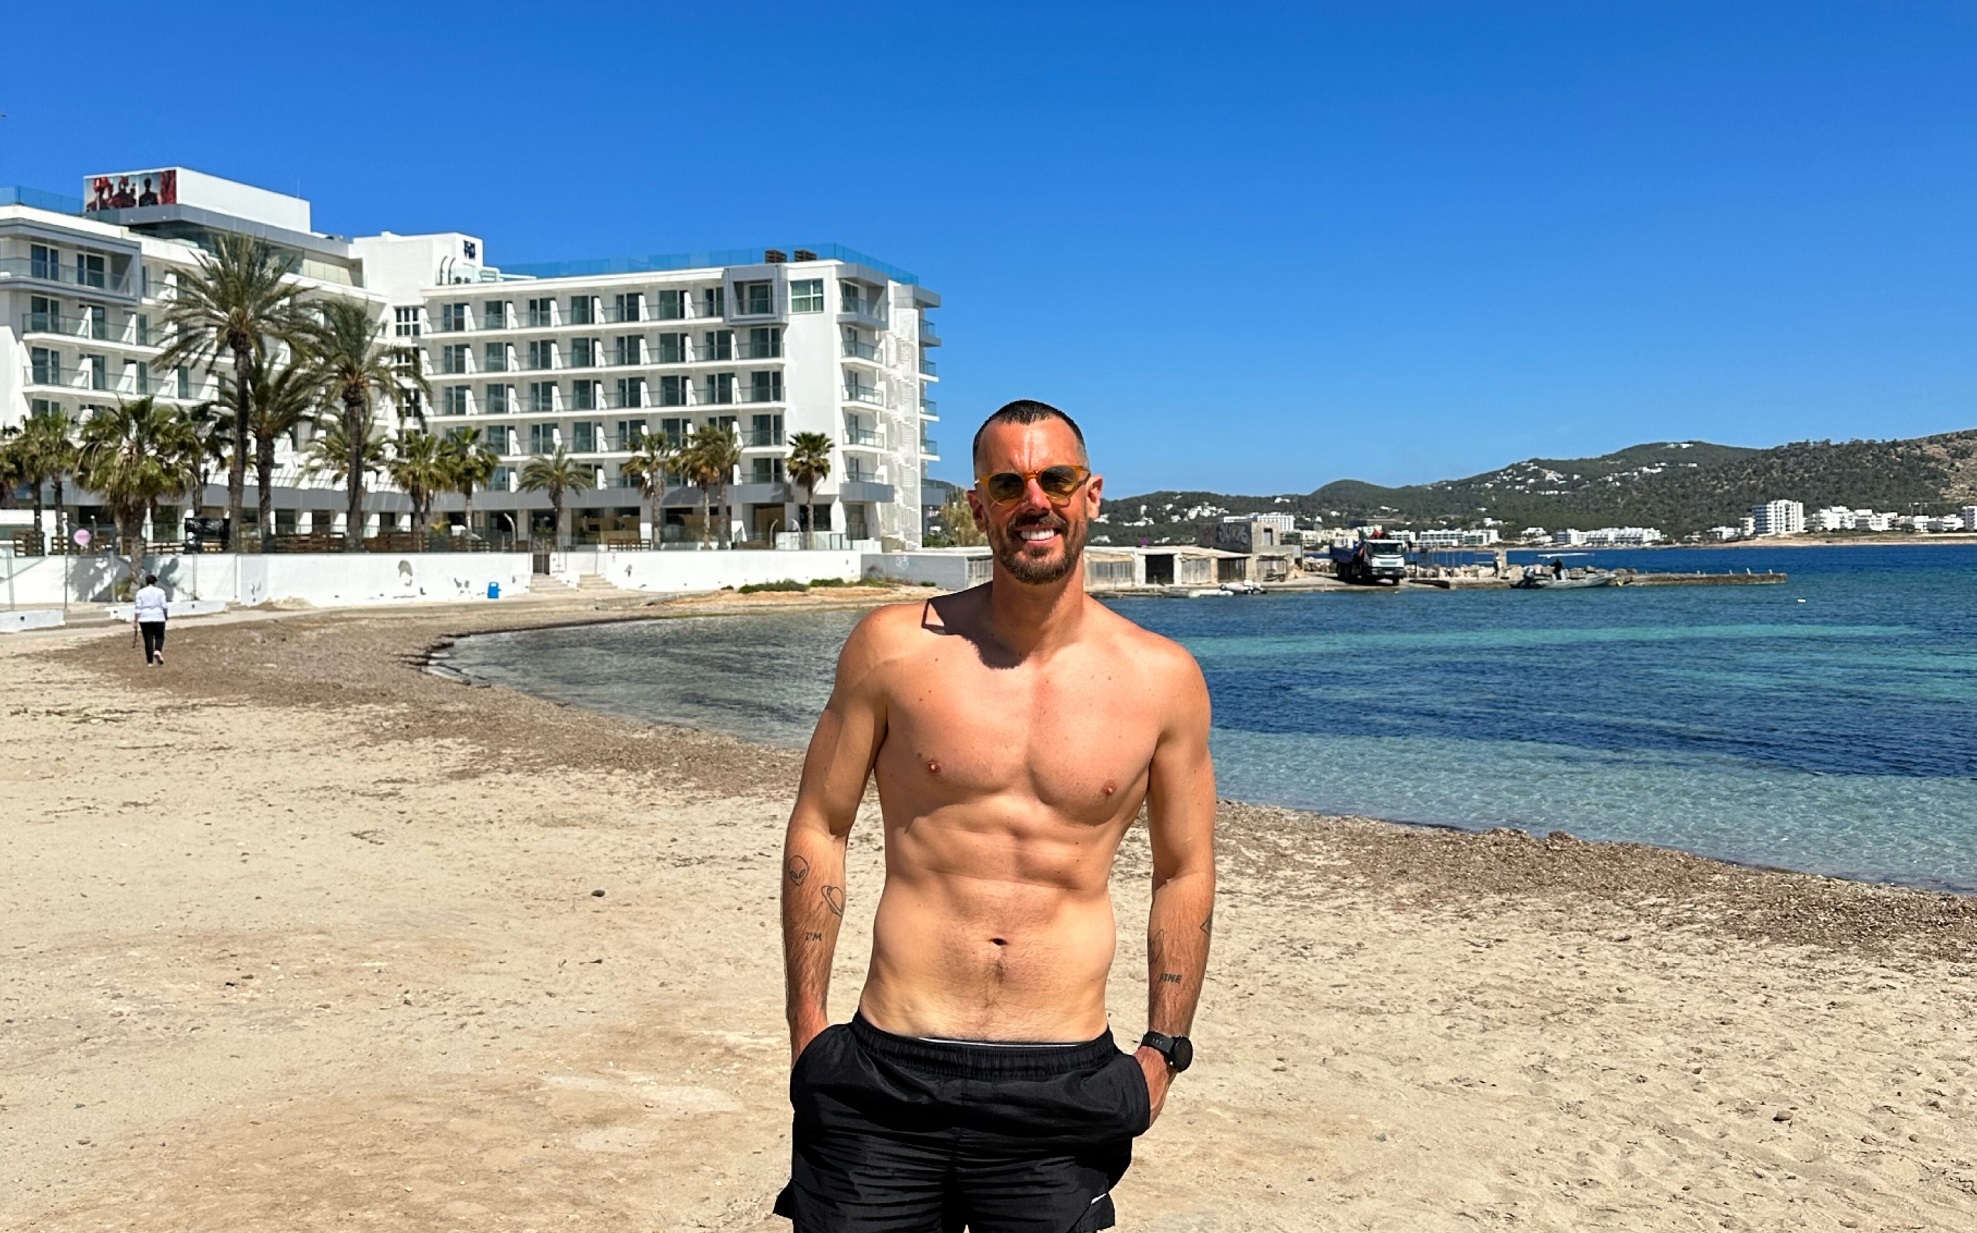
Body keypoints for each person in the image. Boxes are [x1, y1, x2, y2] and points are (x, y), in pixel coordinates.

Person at [776, 400, 1217, 1232]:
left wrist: (1163, 1050)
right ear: (978, 505)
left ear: (1090, 495)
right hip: (887, 1065)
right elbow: (820, 826)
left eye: (1054, 479)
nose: (1034, 501)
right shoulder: (892, 648)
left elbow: (1183, 869)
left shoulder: (1163, 678)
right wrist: (807, 1023)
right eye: (1007, 483)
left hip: (1060, 1079)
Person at [133, 573, 168, 666]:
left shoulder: (140, 592)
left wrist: (135, 621)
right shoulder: (160, 592)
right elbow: (164, 606)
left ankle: (149, 662)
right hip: (158, 616)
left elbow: (138, 608)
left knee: (148, 639)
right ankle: (157, 650)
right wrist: (166, 615)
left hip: (144, 617)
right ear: (155, 582)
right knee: (160, 636)